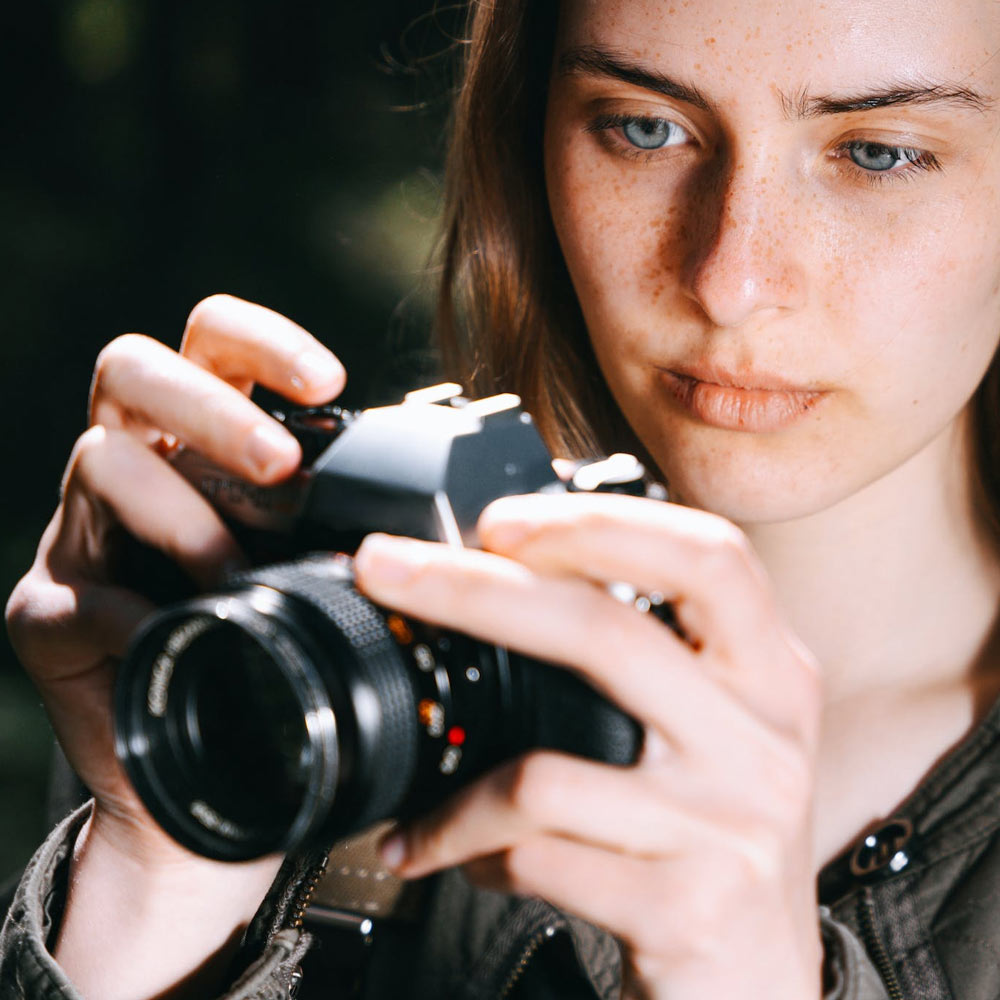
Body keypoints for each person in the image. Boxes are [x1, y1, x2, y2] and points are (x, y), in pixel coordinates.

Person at [4, 0, 1000, 996]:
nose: (728, 280)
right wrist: (159, 873)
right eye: (643, 127)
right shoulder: (314, 669)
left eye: (879, 152)